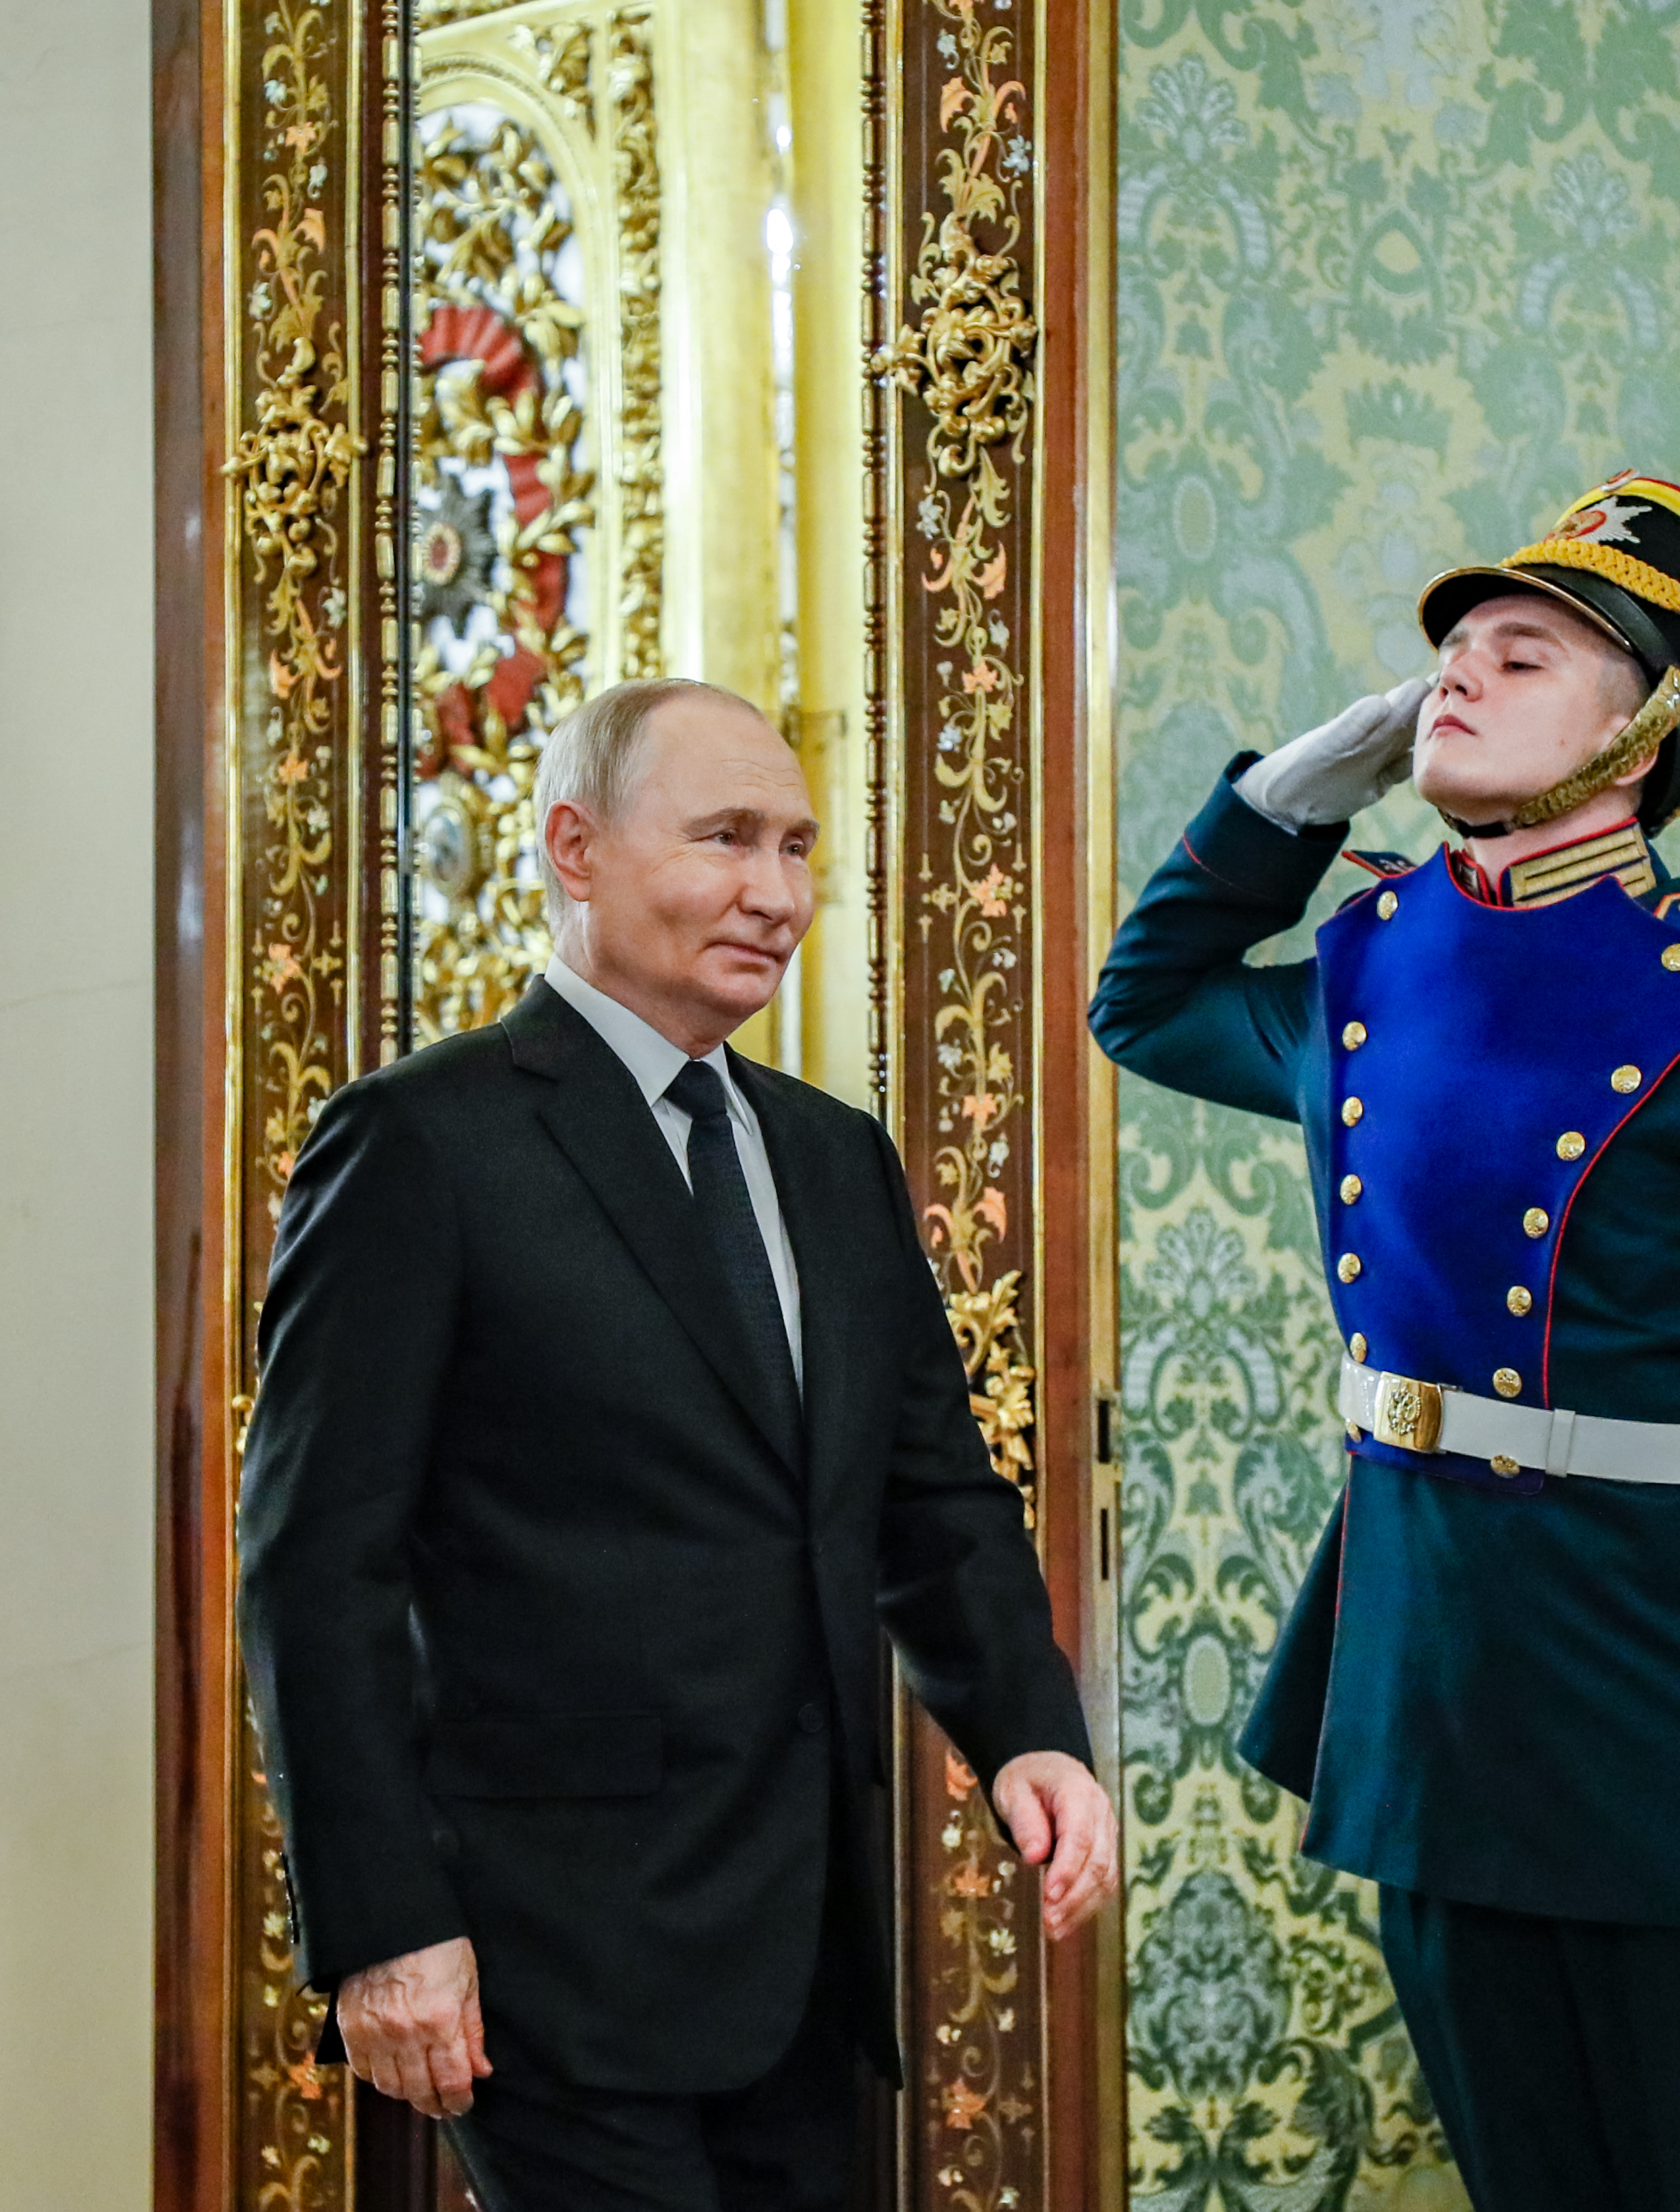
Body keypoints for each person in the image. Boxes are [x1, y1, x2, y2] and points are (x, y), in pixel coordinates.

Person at [1089, 473, 1680, 2211]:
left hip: (1669, 1723)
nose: (1456, 681)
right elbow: (1149, 1003)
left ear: (1642, 737)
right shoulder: (1377, 956)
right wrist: (1284, 802)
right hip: (1432, 1705)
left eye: (1525, 655)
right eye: (1452, 652)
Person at [238, 677, 1116, 2212]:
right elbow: (318, 1565)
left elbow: (929, 1496)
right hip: (546, 1955)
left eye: (795, 847)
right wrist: (382, 1926)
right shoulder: (419, 1145)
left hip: (804, 1957)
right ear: (574, 848)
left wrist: (1030, 1730)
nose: (775, 895)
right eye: (724, 840)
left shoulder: (832, 1156)